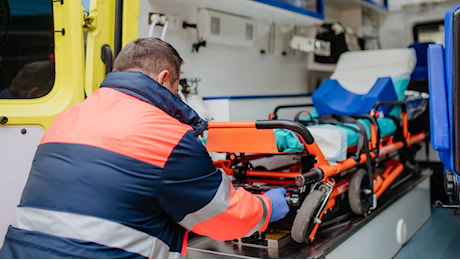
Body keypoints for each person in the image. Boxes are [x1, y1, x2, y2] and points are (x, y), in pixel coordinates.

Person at [0, 37, 289, 258]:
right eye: (177, 88)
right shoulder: (169, 136)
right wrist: (266, 207)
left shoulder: (68, 117)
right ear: (165, 78)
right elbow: (222, 217)